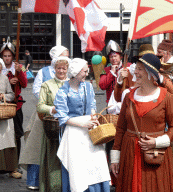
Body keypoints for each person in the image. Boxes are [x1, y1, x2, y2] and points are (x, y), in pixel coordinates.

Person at [110, 53, 173, 192]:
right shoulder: (129, 96)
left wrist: (157, 141)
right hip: (129, 152)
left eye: (140, 69)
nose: (135, 72)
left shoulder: (166, 97)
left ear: (151, 73)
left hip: (155, 153)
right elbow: (120, 128)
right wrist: (115, 157)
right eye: (136, 68)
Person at [54, 58, 110, 192]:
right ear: (76, 72)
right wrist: (82, 122)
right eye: (84, 71)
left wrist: (92, 118)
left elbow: (91, 105)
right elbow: (63, 117)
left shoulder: (88, 86)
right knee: (77, 165)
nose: (87, 74)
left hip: (89, 130)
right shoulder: (63, 91)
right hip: (73, 131)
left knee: (96, 162)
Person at [20, 46, 69, 190]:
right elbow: (36, 90)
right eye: (64, 55)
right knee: (37, 148)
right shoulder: (44, 72)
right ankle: (35, 181)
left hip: (63, 118)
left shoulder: (69, 73)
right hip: (43, 116)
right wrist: (50, 102)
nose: (67, 57)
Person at [37, 57, 70, 191]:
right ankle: (53, 188)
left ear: (68, 70)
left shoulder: (72, 84)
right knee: (54, 160)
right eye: (58, 68)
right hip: (53, 129)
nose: (61, 71)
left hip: (69, 127)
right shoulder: (47, 85)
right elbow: (40, 106)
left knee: (68, 160)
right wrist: (52, 109)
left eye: (64, 68)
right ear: (54, 69)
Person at [0, 39, 28, 179]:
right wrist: (8, 82)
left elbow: (25, 83)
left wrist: (19, 73)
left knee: (16, 135)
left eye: (9, 56)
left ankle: (14, 166)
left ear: (13, 56)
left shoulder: (20, 67)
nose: (7, 58)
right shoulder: (0, 68)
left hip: (15, 106)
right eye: (4, 56)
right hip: (1, 107)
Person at [0, 58, 17, 175]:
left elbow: (11, 95)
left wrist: (3, 96)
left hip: (3, 112)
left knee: (7, 139)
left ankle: (10, 168)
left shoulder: (4, 78)